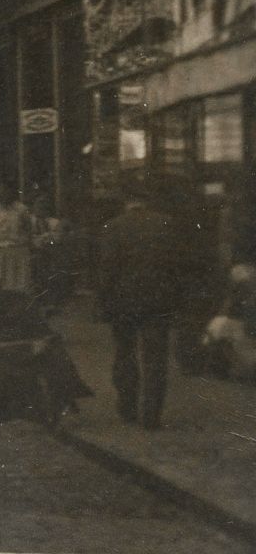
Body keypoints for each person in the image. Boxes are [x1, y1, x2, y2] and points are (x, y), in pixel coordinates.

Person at [99, 183, 199, 429]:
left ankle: (128, 406)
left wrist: (103, 300)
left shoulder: (113, 227)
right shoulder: (166, 223)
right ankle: (152, 416)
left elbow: (107, 269)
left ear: (126, 201)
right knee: (155, 358)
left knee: (125, 353)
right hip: (158, 300)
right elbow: (178, 265)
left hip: (124, 301)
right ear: (149, 201)